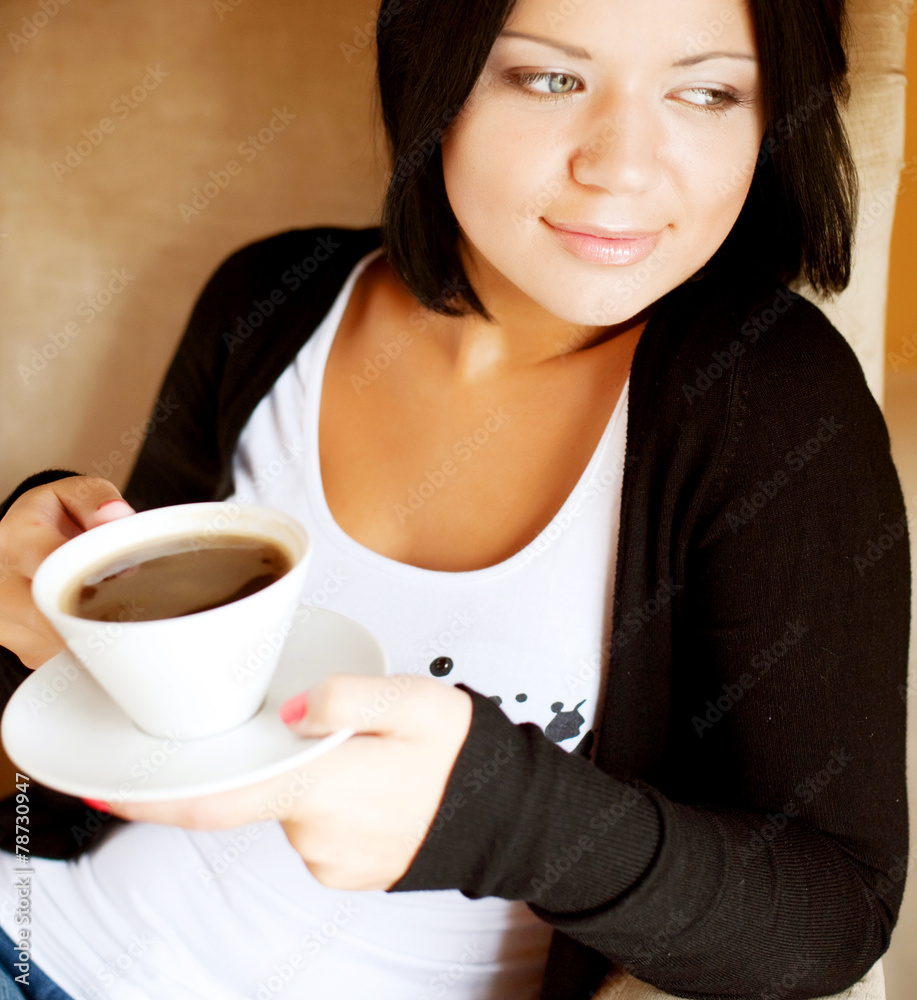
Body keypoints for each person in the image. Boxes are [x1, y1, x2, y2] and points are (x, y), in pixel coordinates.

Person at [0, 0, 909, 997]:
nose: (621, 166)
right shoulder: (268, 299)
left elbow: (831, 910)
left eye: (706, 92)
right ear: (434, 75)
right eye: (550, 78)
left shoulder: (769, 401)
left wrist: (495, 811)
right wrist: (48, 589)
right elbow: (104, 745)